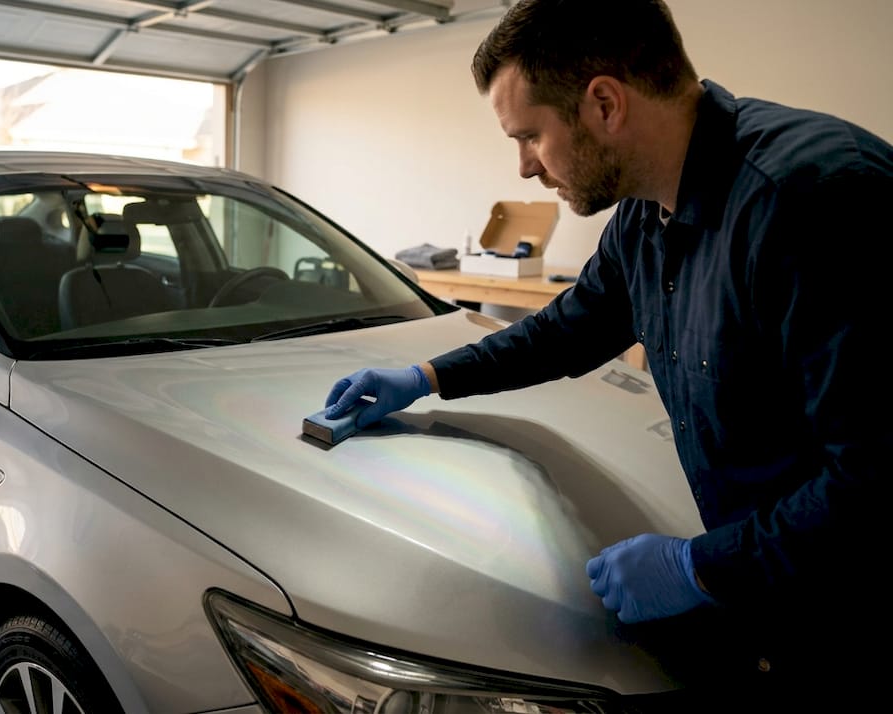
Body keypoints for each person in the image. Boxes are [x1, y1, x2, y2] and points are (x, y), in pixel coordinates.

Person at [324, 0, 892, 701]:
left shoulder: (815, 200)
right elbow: (567, 328)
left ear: (603, 103)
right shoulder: (644, 216)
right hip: (777, 603)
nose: (526, 168)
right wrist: (430, 375)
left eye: (530, 135)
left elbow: (878, 480)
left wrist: (699, 568)